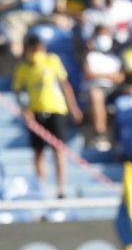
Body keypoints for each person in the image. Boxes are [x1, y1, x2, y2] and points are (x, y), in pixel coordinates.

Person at [13, 35, 84, 199]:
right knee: (38, 152)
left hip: (55, 109)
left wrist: (73, 108)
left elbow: (65, 85)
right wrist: (24, 110)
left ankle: (61, 189)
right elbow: (18, 91)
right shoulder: (22, 68)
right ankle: (41, 189)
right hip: (35, 112)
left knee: (58, 149)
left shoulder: (52, 61)